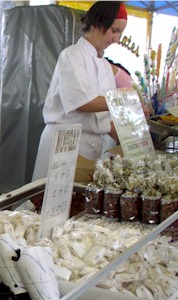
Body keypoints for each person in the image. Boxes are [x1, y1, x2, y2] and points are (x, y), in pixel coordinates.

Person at [32, 1, 128, 181]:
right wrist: (124, 100)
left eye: (120, 33)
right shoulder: (72, 56)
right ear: (97, 23)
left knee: (83, 197)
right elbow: (84, 103)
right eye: (114, 31)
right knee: (52, 195)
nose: (117, 39)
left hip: (93, 147)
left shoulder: (105, 66)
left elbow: (106, 118)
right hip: (65, 142)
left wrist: (132, 143)